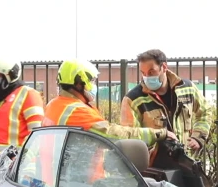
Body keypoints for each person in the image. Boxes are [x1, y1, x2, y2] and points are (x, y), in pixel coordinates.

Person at [43, 59, 175, 144]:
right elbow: (114, 134)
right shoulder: (77, 111)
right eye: (92, 81)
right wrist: (159, 133)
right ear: (79, 83)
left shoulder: (53, 105)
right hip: (83, 182)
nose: (94, 85)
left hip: (54, 178)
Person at [120, 49, 211, 156]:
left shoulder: (187, 89)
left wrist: (198, 137)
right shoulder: (133, 100)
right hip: (153, 166)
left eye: (151, 72)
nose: (147, 77)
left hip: (186, 160)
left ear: (164, 67)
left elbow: (205, 112)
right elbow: (130, 135)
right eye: (143, 73)